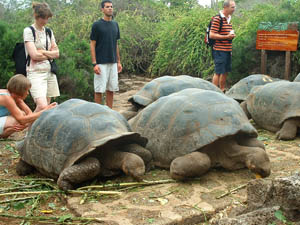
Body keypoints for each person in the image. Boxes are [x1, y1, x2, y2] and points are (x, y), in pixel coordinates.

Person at [24, 2, 60, 112]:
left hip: (49, 71)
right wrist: (50, 54)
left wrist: (43, 52)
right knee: (42, 105)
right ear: (36, 16)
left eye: (47, 18)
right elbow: (34, 55)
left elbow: (57, 53)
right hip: (35, 72)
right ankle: (29, 127)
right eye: (43, 18)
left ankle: (37, 129)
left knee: (47, 108)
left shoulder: (49, 31)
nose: (45, 21)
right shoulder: (29, 31)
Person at [90, 0, 122, 109]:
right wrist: (94, 63)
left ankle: (109, 111)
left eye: (111, 7)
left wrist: (118, 61)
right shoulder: (97, 25)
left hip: (113, 62)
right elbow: (92, 44)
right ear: (102, 9)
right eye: (107, 7)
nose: (110, 8)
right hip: (101, 63)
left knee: (111, 89)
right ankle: (97, 112)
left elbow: (116, 43)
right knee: (99, 90)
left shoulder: (115, 24)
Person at [209, 0, 236, 93]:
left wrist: (230, 37)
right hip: (219, 50)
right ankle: (213, 92)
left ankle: (222, 90)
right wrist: (226, 37)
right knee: (218, 72)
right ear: (225, 7)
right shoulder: (218, 19)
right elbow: (211, 35)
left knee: (225, 71)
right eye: (232, 7)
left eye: (234, 7)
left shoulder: (229, 18)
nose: (234, 9)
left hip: (227, 49)